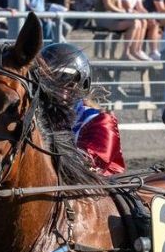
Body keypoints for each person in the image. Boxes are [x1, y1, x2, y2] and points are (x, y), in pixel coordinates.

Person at [41, 43, 126, 175]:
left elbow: (87, 166)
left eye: (68, 84)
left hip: (95, 191)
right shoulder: (36, 118)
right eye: (51, 84)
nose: (59, 91)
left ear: (82, 86)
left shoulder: (99, 121)